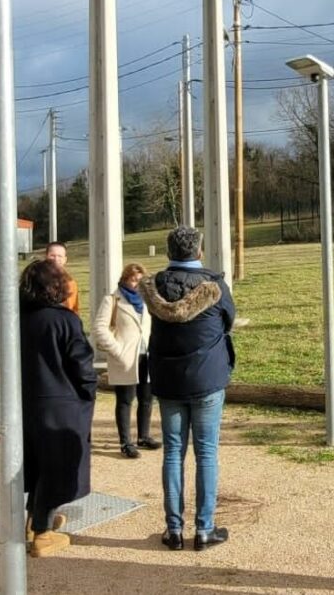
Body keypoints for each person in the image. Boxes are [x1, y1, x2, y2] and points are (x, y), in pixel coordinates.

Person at [140, 226, 235, 552]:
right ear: (199, 252)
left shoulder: (155, 288)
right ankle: (204, 529)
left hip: (167, 381)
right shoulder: (214, 287)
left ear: (169, 253)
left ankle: (174, 530)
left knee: (173, 454)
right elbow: (229, 321)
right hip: (206, 380)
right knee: (206, 453)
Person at [19, 259, 97, 558]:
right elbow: (82, 365)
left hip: (25, 403)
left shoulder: (16, 319)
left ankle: (35, 518)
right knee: (57, 467)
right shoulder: (64, 319)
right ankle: (43, 533)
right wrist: (88, 393)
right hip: (62, 403)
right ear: (57, 286)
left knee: (36, 464)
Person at [92, 263, 160, 459]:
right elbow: (99, 328)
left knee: (146, 398)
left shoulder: (147, 300)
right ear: (125, 279)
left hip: (146, 354)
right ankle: (125, 442)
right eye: (132, 279)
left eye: (139, 279)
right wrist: (117, 350)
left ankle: (143, 436)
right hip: (125, 357)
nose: (136, 283)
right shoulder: (112, 299)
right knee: (125, 400)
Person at [45, 241, 80, 314]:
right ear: (46, 257)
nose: (56, 259)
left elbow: (73, 309)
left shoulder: (70, 283)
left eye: (60, 256)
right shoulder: (38, 278)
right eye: (52, 255)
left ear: (65, 259)